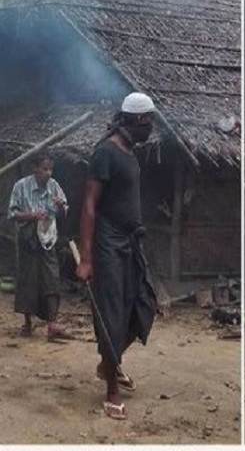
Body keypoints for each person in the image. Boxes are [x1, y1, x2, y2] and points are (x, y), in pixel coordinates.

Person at [77, 92, 159, 420]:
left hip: (131, 243)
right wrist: (86, 258)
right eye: (149, 122)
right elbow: (89, 206)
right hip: (108, 245)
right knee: (111, 315)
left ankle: (106, 363)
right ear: (137, 120)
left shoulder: (130, 152)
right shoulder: (105, 152)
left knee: (144, 305)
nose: (151, 128)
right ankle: (111, 391)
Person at [7, 153, 72, 340]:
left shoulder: (54, 186)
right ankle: (27, 323)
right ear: (35, 168)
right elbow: (12, 214)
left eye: (51, 169)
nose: (48, 173)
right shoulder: (21, 186)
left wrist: (60, 206)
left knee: (52, 277)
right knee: (28, 279)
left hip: (47, 239)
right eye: (45, 169)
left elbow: (64, 213)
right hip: (27, 239)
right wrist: (32, 215)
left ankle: (52, 324)